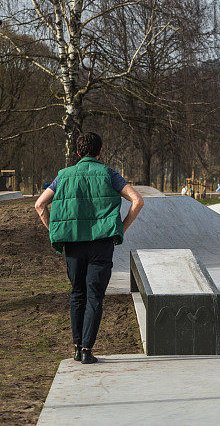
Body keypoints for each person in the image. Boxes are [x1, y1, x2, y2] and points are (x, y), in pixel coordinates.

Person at [34, 132, 144, 365]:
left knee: (77, 294)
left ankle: (75, 348)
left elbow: (40, 204)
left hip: (73, 244)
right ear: (100, 152)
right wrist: (121, 228)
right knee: (95, 296)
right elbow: (137, 200)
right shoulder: (108, 174)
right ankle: (86, 350)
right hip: (101, 245)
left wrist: (55, 231)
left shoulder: (63, 176)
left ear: (77, 153)